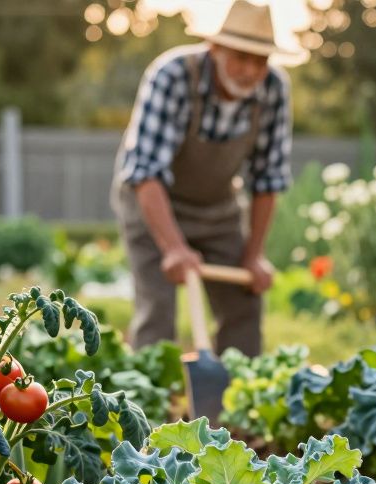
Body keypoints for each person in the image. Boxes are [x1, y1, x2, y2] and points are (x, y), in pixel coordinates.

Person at [111, 0, 296, 357]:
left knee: (245, 304)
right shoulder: (172, 76)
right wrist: (174, 248)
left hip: (218, 209)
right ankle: (150, 404)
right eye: (240, 57)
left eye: (260, 61)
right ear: (215, 49)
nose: (250, 70)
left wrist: (254, 255)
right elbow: (146, 172)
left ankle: (237, 404)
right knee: (158, 311)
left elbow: (267, 179)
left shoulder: (274, 89)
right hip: (153, 206)